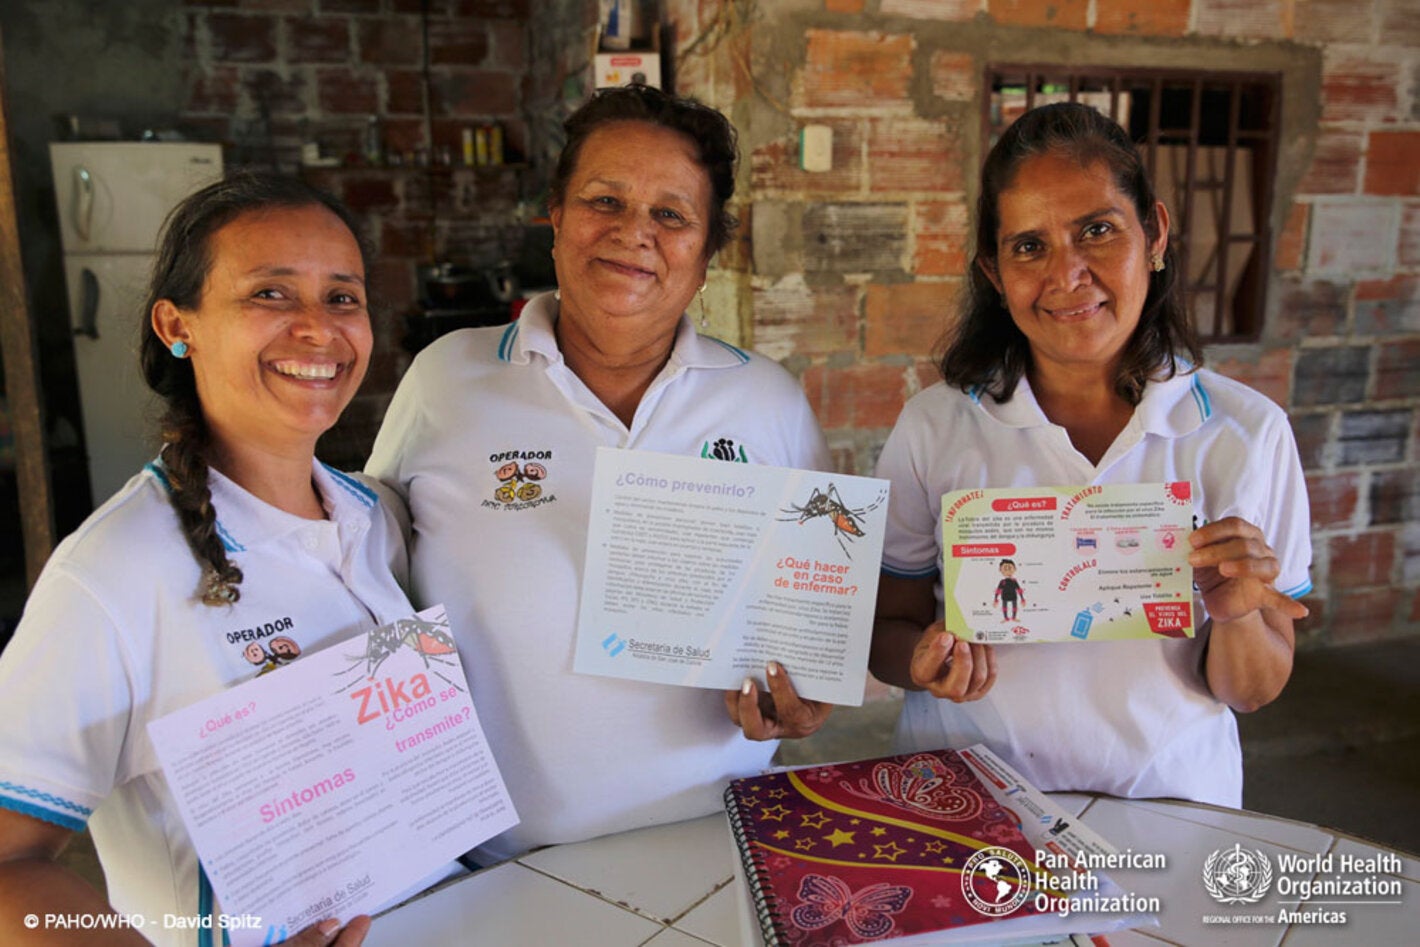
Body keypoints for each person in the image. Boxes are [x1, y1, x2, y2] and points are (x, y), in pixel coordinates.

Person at [366, 84, 833, 861]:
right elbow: (366, 582)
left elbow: (814, 616)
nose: (633, 232)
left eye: (671, 215)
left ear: (706, 254)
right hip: (497, 864)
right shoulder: (448, 379)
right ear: (555, 215)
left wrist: (804, 699)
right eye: (604, 200)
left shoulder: (767, 401)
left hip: (720, 843)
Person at [0, 174, 452, 946]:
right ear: (178, 326)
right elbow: (11, 865)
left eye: (342, 297)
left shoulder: (374, 517)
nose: (318, 328)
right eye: (270, 293)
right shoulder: (112, 575)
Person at [870, 103, 1311, 809]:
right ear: (994, 272)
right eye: (1028, 246)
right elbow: (883, 629)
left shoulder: (1246, 434)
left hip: (1171, 808)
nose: (1067, 274)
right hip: (964, 804)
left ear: (1155, 234)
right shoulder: (936, 426)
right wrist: (924, 661)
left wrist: (1234, 615)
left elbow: (1253, 690)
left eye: (1097, 231)